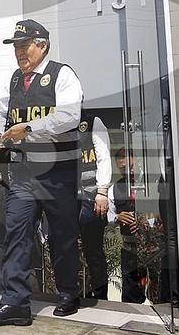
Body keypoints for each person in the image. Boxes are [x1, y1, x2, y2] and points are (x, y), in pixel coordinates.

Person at [0, 19, 83, 327]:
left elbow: (70, 115)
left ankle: (68, 294)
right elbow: (2, 112)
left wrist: (30, 128)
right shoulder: (14, 80)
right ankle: (15, 304)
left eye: (25, 46)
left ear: (43, 46)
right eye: (16, 47)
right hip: (23, 173)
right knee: (16, 234)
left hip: (58, 173)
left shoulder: (62, 74)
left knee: (62, 236)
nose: (20, 52)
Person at [77, 112, 112, 300]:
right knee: (66, 248)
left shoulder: (92, 121)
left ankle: (100, 296)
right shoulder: (58, 122)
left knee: (93, 250)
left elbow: (103, 157)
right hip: (67, 197)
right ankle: (72, 294)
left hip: (92, 197)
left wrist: (102, 191)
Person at [108, 147, 148, 304]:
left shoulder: (151, 182)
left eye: (130, 166)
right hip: (129, 245)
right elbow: (108, 215)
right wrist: (117, 218)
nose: (127, 171)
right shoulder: (114, 189)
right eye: (122, 168)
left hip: (152, 246)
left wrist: (144, 219)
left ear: (137, 162)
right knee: (130, 293)